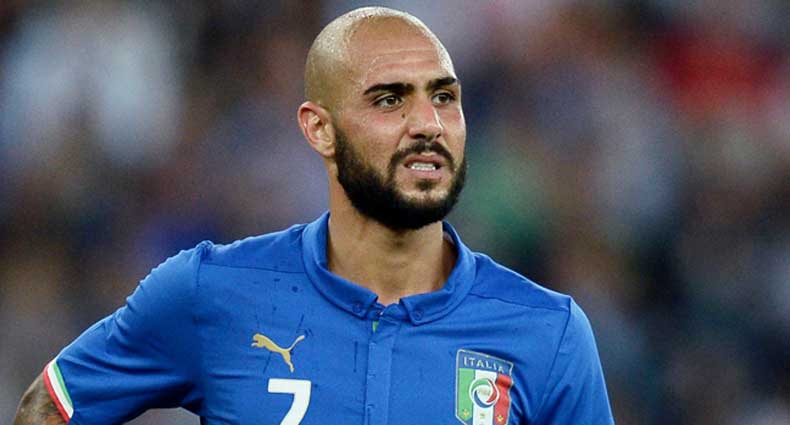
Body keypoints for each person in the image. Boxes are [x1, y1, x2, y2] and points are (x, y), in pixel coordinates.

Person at [14, 7, 614, 425]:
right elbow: (52, 407)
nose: (427, 123)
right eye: (389, 99)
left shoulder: (547, 333)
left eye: (444, 96)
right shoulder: (211, 292)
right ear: (319, 129)